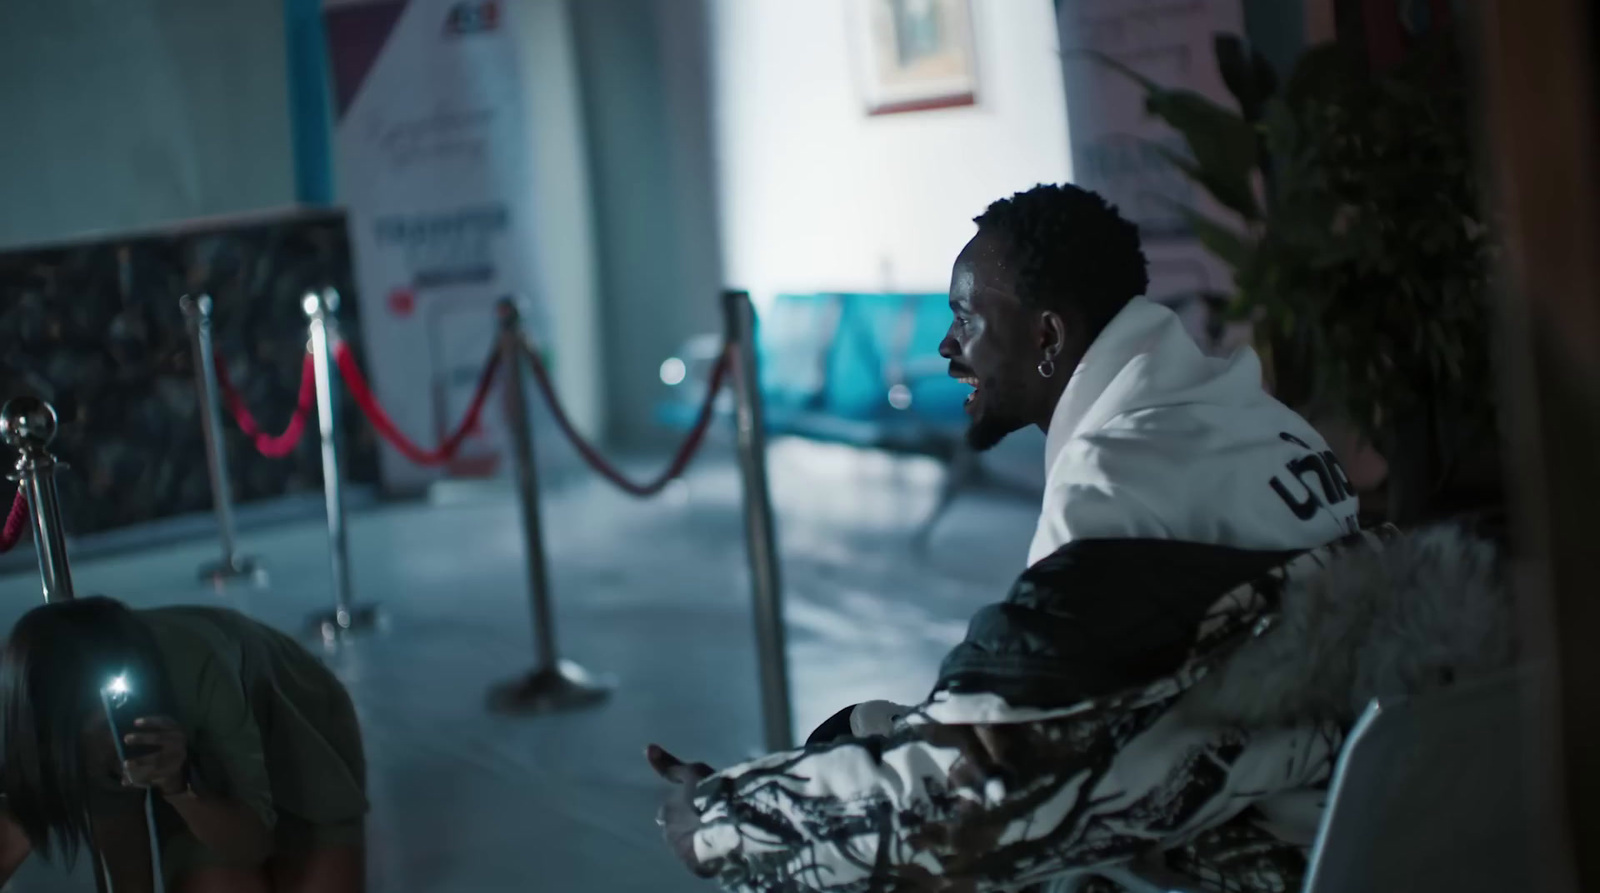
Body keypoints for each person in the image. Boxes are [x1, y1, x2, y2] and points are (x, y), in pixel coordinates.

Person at [806, 183, 1361, 745]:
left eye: (965, 319)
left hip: (1246, 816)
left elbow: (1045, 750)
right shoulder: (1278, 425)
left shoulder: (1107, 479)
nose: (947, 345)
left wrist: (876, 737)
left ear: (1047, 336)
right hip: (1345, 794)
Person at [0, 597, 368, 893]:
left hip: (289, 713)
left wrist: (180, 789)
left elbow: (252, 845)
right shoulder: (40, 715)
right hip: (181, 744)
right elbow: (129, 876)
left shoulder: (197, 666)